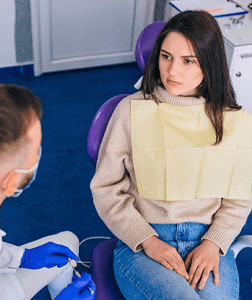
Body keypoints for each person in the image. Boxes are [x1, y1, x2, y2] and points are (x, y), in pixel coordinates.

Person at [90, 10, 252, 300]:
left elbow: (240, 197)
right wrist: (147, 240)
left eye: (188, 61)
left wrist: (213, 243)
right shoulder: (131, 111)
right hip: (144, 241)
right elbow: (106, 188)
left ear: (209, 64)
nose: (172, 71)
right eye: (166, 56)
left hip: (207, 239)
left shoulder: (232, 120)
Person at [0, 84, 96, 300]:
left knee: (67, 242)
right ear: (11, 182)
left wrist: (23, 257)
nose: (38, 155)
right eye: (36, 148)